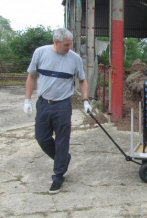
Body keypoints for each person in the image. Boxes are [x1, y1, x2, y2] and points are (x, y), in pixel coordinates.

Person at [23, 28, 92, 193]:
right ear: (56, 42)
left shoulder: (74, 59)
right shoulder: (40, 53)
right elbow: (32, 77)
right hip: (44, 104)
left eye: (70, 45)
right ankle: (63, 160)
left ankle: (58, 175)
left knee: (62, 141)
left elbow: (82, 81)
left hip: (63, 105)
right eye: (66, 45)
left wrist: (86, 101)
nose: (69, 48)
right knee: (41, 137)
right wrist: (27, 100)